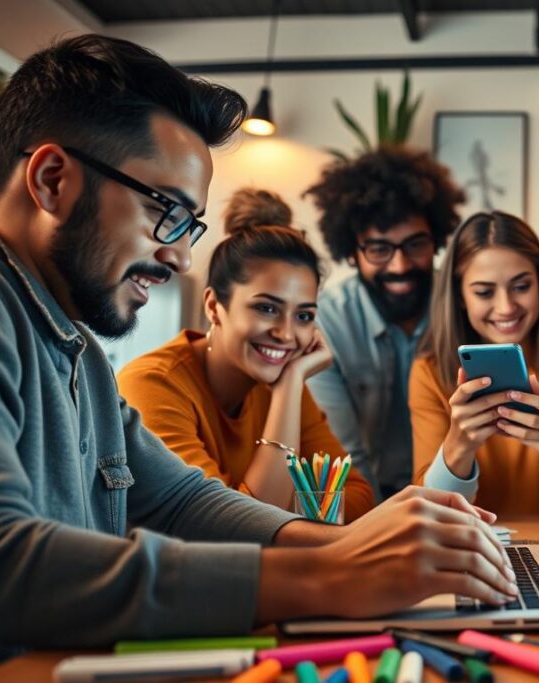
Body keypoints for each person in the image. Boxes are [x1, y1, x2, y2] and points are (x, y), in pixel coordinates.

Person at [0, 35, 514, 663]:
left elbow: (181, 500)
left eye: (191, 227)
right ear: (52, 180)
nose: (181, 257)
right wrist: (336, 575)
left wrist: (354, 543)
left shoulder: (77, 350)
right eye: (168, 213)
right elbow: (1, 558)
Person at [117, 188, 373, 520]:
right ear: (213, 306)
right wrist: (301, 513)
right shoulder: (153, 385)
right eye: (267, 308)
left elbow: (358, 495)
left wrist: (290, 385)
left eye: (304, 316)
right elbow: (235, 529)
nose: (286, 333)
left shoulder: (285, 385)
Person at [409, 211, 539, 514]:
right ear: (461, 296)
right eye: (484, 292)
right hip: (467, 545)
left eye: (521, 286)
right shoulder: (429, 373)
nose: (505, 307)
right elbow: (428, 512)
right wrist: (458, 446)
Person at [304, 148, 465, 500]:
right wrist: (382, 521)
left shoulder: (465, 308)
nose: (399, 266)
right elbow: (343, 451)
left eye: (415, 244)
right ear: (351, 251)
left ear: (435, 241)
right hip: (368, 497)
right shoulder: (327, 320)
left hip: (457, 496)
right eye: (379, 249)